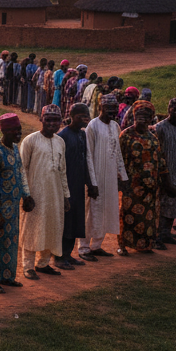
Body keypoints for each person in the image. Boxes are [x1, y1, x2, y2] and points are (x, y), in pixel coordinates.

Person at [18, 106, 70, 279]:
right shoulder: (30, 141)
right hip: (35, 195)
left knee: (52, 228)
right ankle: (27, 266)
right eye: (48, 119)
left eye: (56, 120)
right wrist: (26, 195)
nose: (52, 123)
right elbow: (22, 169)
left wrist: (66, 196)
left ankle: (43, 264)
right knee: (32, 228)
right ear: (41, 120)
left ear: (61, 121)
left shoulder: (60, 142)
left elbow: (62, 170)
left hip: (55, 194)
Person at [118, 101, 174, 255]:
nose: (143, 119)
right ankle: (123, 245)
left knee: (148, 218)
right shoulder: (126, 135)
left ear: (151, 118)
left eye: (146, 116)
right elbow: (119, 160)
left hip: (151, 187)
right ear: (134, 116)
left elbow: (161, 161)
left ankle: (144, 245)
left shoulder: (153, 138)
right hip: (132, 186)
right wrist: (120, 182)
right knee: (128, 215)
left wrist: (165, 182)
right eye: (140, 116)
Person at [78, 94, 129, 260]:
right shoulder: (92, 126)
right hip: (95, 178)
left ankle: (96, 246)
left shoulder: (115, 126)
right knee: (90, 213)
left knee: (106, 210)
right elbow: (88, 155)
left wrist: (123, 176)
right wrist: (91, 182)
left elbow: (118, 153)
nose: (112, 111)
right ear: (101, 107)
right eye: (109, 108)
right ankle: (83, 248)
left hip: (110, 178)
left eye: (115, 108)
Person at [0, 114, 34, 290]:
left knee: (12, 241)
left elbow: (20, 172)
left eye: (19, 130)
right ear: (4, 131)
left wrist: (26, 195)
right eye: (14, 130)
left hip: (13, 205)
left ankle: (7, 276)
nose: (18, 133)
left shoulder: (14, 148)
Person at [57, 104, 98, 268]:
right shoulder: (62, 136)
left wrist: (90, 183)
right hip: (66, 186)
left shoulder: (82, 135)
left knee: (76, 220)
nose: (84, 119)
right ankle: (59, 257)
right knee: (65, 221)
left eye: (86, 116)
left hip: (79, 185)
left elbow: (85, 159)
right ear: (72, 116)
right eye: (80, 116)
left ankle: (68, 254)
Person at [153, 98, 176, 246]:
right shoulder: (160, 128)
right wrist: (161, 176)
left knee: (175, 204)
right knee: (163, 204)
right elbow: (156, 152)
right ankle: (158, 235)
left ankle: (166, 233)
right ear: (169, 110)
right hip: (164, 174)